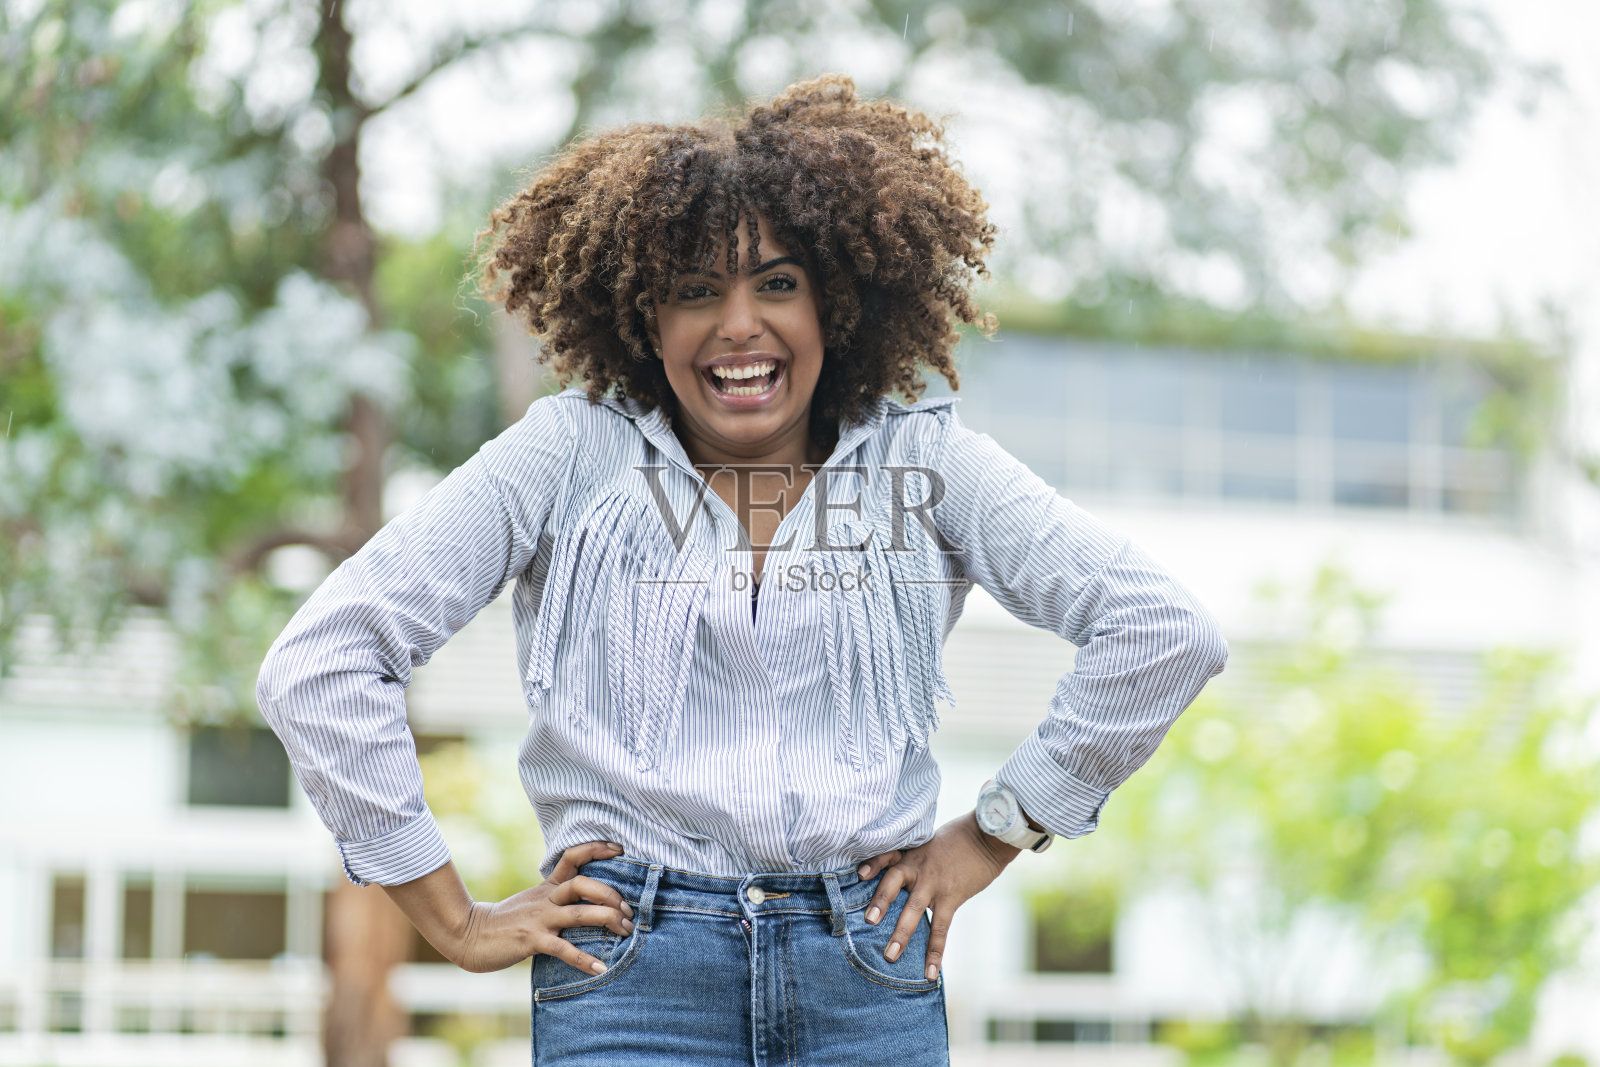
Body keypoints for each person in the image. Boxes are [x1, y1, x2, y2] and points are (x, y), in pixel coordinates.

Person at [255, 74, 1228, 1066]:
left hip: (866, 968)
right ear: (643, 318)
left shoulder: (926, 467)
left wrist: (990, 833)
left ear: (836, 303)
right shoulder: (566, 459)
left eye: (776, 282)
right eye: (693, 291)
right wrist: (453, 918)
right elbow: (321, 661)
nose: (737, 324)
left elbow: (1161, 630)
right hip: (628, 977)